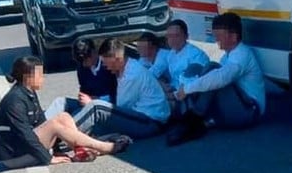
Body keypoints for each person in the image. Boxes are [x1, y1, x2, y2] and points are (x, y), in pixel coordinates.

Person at [0, 56, 131, 169]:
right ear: (28, 77)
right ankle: (105, 147)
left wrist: (55, 147)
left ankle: (81, 150)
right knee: (54, 125)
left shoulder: (28, 93)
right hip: (13, 156)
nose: (43, 78)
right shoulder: (15, 100)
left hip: (23, 148)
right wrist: (49, 158)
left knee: (63, 116)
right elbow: (24, 134)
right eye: (40, 75)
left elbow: (41, 122)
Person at [168, 12, 265, 145]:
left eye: (219, 36)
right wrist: (185, 88)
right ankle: (193, 118)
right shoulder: (227, 56)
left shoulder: (242, 55)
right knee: (197, 68)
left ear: (233, 37)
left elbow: (220, 78)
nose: (216, 40)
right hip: (236, 106)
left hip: (249, 111)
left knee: (213, 69)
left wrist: (187, 89)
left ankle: (194, 117)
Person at [72, 38, 171, 139]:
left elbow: (119, 108)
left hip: (150, 122)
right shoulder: (125, 68)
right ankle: (64, 127)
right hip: (142, 117)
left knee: (96, 107)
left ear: (117, 59)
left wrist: (92, 102)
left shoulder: (131, 76)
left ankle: (64, 132)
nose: (105, 66)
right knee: (91, 116)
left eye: (106, 62)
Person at [44, 39, 117, 119]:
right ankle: (40, 125)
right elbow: (84, 89)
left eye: (85, 60)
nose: (83, 64)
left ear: (93, 53)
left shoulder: (109, 66)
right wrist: (82, 97)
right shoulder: (82, 68)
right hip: (88, 104)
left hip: (106, 108)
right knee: (60, 102)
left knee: (73, 120)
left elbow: (119, 95)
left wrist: (96, 100)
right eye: (80, 61)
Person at [150, 19, 210, 104]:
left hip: (189, 99)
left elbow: (193, 86)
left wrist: (168, 95)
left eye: (176, 36)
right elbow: (155, 70)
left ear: (186, 36)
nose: (172, 40)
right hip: (173, 91)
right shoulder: (171, 53)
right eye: (169, 36)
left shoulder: (196, 55)